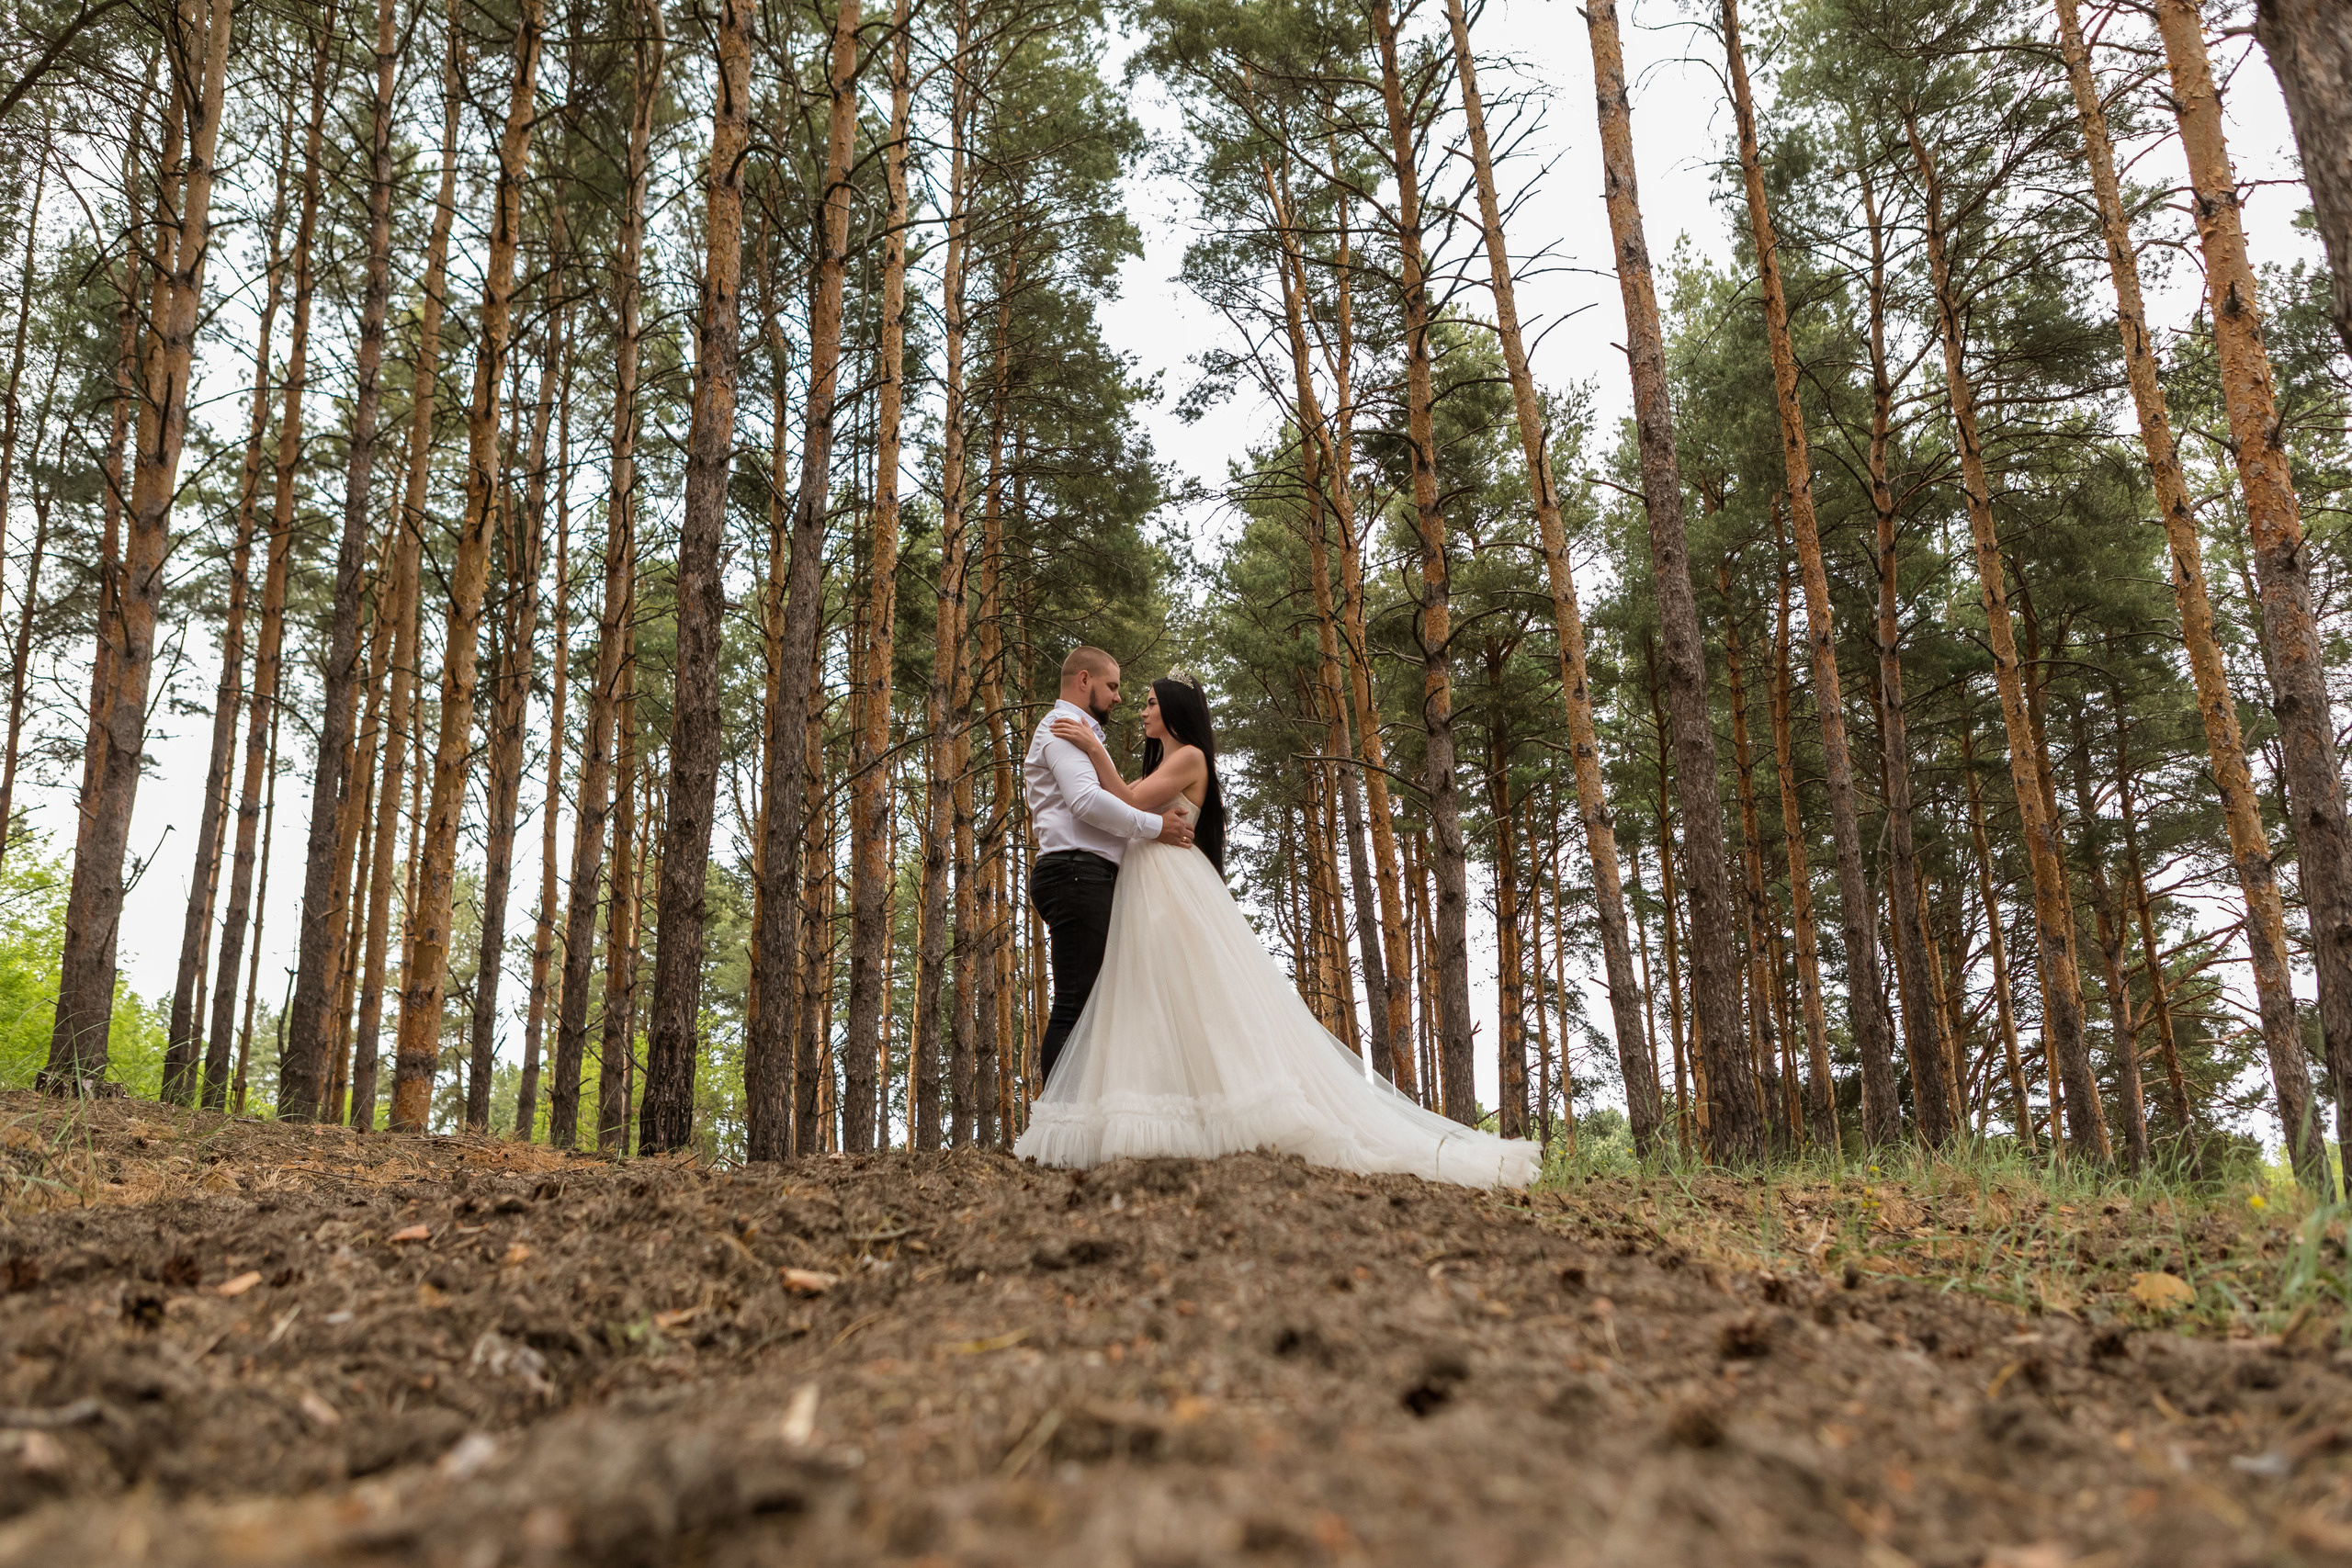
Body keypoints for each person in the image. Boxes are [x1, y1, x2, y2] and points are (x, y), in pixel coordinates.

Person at [1013, 671, 1541, 1189]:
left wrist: (1094, 747)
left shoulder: (1191, 756)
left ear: (1172, 711)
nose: (1141, 708)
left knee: (1180, 993)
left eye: (1150, 702)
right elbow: (1129, 799)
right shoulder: (1172, 759)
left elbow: (1125, 799)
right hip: (1151, 883)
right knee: (1154, 1000)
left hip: (1169, 885)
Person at [1023, 647, 1196, 1085]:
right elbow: (1085, 802)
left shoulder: (1082, 733)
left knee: (1091, 1006)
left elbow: (1120, 793)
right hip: (1076, 872)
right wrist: (1155, 828)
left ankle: (1078, 1118)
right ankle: (1059, 1125)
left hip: (1085, 874)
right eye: (1113, 687)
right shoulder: (1062, 729)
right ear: (1085, 681)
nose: (1120, 698)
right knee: (1077, 1005)